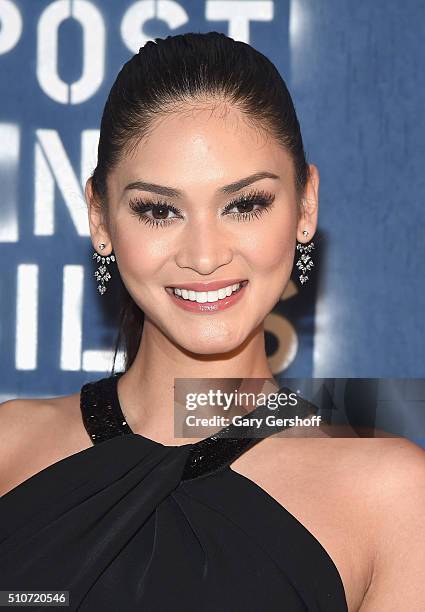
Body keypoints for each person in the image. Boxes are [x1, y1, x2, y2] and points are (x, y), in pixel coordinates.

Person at [0, 31, 424, 612]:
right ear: (100, 217)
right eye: (158, 210)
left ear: (305, 206)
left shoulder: (393, 497)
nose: (204, 256)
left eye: (245, 204)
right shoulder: (8, 449)